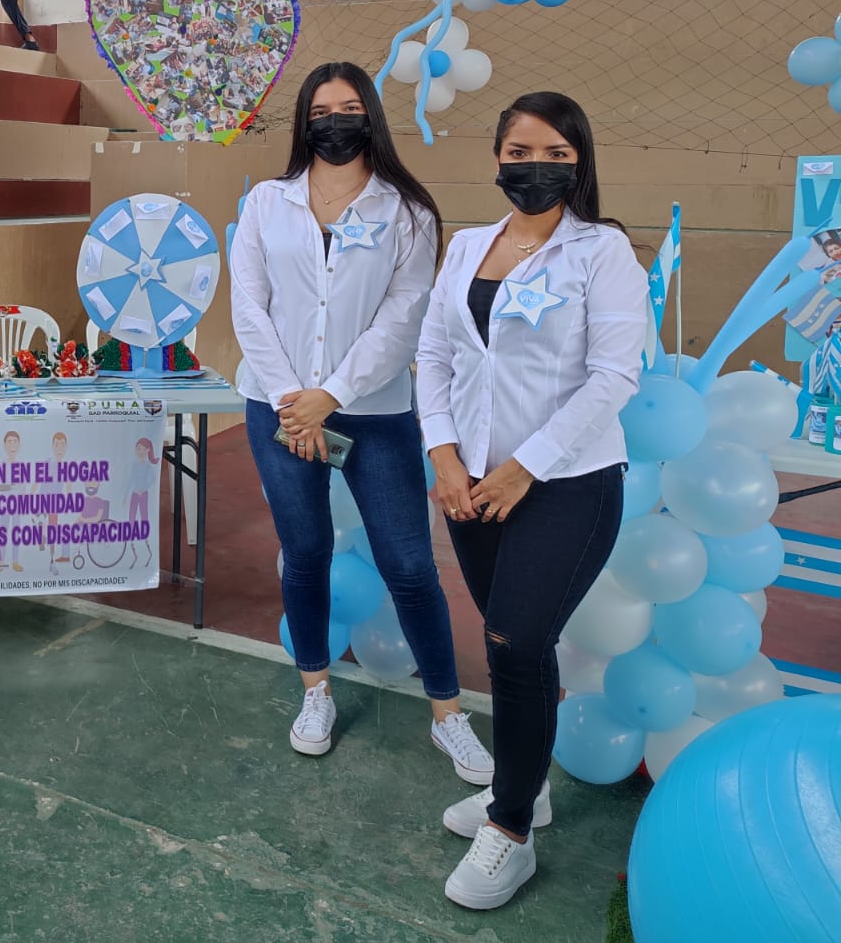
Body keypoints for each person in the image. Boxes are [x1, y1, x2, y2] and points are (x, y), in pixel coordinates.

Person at [416, 91, 648, 911]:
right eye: (519, 152)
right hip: (470, 483)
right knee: (514, 647)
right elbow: (434, 355)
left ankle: (510, 831)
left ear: (579, 163)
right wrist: (444, 455)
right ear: (497, 158)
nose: (535, 167)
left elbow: (614, 377)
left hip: (568, 486)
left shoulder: (602, 253)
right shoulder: (467, 245)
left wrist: (525, 468)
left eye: (555, 153)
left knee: (516, 643)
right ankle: (528, 786)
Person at [231, 60, 491, 776]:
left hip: (374, 413)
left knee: (409, 563)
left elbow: (405, 318)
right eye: (320, 112)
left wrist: (333, 395)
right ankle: (315, 690)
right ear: (303, 122)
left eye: (348, 109)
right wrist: (293, 399)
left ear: (370, 116)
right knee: (305, 551)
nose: (334, 123)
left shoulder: (407, 212)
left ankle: (448, 713)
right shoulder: (267, 203)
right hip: (277, 410)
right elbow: (249, 307)